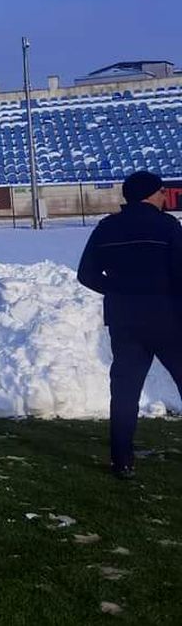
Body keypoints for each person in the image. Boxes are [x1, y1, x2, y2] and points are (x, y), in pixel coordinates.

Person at [77, 171, 182, 480]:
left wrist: (116, 290)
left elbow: (86, 274)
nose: (165, 197)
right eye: (162, 192)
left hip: (124, 321)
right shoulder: (168, 227)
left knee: (124, 392)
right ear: (151, 194)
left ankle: (122, 460)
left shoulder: (107, 228)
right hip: (168, 320)